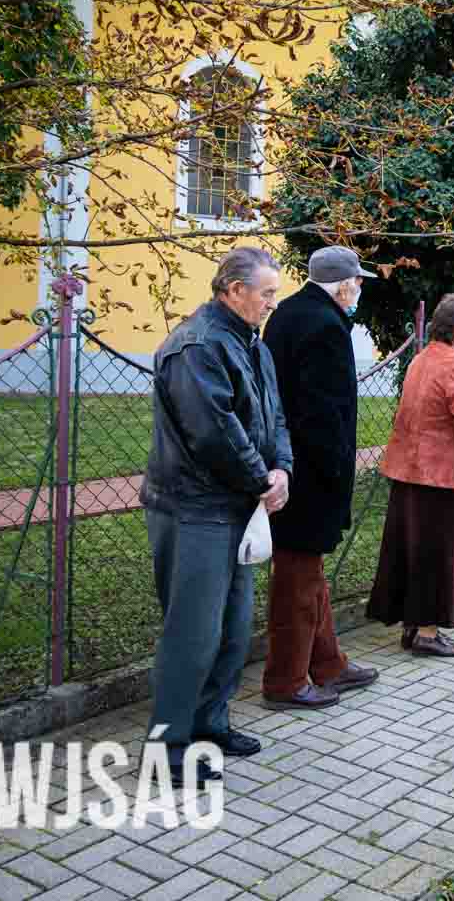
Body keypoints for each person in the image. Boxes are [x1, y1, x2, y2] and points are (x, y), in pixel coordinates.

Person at [141, 247, 292, 787]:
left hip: (235, 506)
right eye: (266, 293)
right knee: (192, 635)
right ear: (233, 290)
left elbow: (274, 416)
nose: (272, 303)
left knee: (231, 629)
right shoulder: (198, 345)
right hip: (194, 508)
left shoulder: (251, 342)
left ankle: (210, 725)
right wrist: (261, 479)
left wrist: (281, 468)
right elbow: (213, 432)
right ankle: (167, 749)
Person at [261, 245, 380, 710]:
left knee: (307, 570)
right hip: (310, 472)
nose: (361, 287)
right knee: (296, 576)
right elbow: (323, 412)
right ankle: (286, 680)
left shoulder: (291, 313)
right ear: (342, 284)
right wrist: (334, 470)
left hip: (293, 462)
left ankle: (328, 663)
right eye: (358, 280)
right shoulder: (324, 325)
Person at [367, 294, 454, 657]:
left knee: (408, 549)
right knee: (437, 553)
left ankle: (411, 624)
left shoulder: (420, 360)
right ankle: (427, 631)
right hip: (439, 473)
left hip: (406, 469)